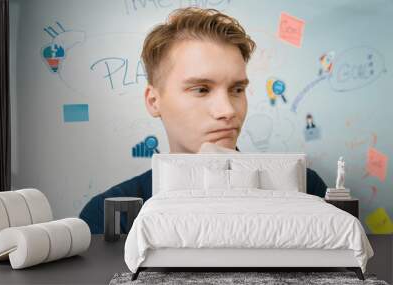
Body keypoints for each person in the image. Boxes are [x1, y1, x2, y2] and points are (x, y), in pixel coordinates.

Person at [80, 7, 327, 234]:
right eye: (201, 89)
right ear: (154, 101)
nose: (228, 110)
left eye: (237, 89)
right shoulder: (109, 215)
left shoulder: (305, 187)